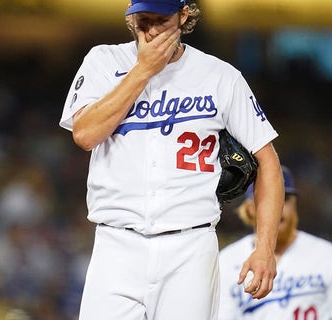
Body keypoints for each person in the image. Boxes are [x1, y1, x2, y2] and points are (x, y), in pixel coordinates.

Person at [59, 0, 284, 318]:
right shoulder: (103, 61)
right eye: (143, 20)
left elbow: (269, 161)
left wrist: (264, 247)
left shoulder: (219, 76)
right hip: (116, 243)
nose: (150, 31)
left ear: (183, 15)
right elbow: (84, 134)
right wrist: (143, 70)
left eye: (160, 20)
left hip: (190, 246)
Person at [218, 166, 332, 319]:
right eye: (268, 200)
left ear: (295, 205)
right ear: (250, 209)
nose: (278, 209)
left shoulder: (326, 254)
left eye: (285, 199)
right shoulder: (227, 262)